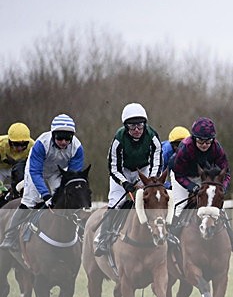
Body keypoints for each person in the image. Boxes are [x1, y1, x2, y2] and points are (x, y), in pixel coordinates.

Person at [0, 114, 84, 251]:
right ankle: (11, 236)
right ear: (53, 135)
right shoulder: (41, 144)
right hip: (36, 171)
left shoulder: (77, 148)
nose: (63, 142)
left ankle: (79, 232)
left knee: (67, 200)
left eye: (67, 138)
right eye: (60, 138)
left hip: (57, 172)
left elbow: (72, 177)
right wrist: (46, 195)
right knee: (29, 201)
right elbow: (35, 173)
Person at [93, 103, 163, 256]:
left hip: (143, 170)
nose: (137, 130)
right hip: (122, 171)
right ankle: (103, 238)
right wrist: (124, 183)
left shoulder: (153, 136)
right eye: (132, 126)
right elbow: (113, 167)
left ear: (145, 124)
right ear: (126, 127)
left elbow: (156, 161)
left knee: (154, 199)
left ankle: (164, 233)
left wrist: (151, 181)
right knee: (115, 203)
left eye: (140, 125)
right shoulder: (118, 139)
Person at [170, 116, 233, 252]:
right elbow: (179, 174)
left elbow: (226, 172)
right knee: (181, 206)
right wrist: (192, 187)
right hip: (181, 175)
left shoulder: (217, 148)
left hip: (203, 176)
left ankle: (231, 238)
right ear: (194, 138)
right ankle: (172, 237)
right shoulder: (186, 147)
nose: (204, 145)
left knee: (217, 205)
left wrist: (222, 188)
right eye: (200, 141)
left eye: (208, 142)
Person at [0, 123, 35, 202]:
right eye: (16, 144)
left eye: (24, 144)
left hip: (17, 170)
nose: (20, 148)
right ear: (9, 141)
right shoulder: (1, 144)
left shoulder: (32, 146)